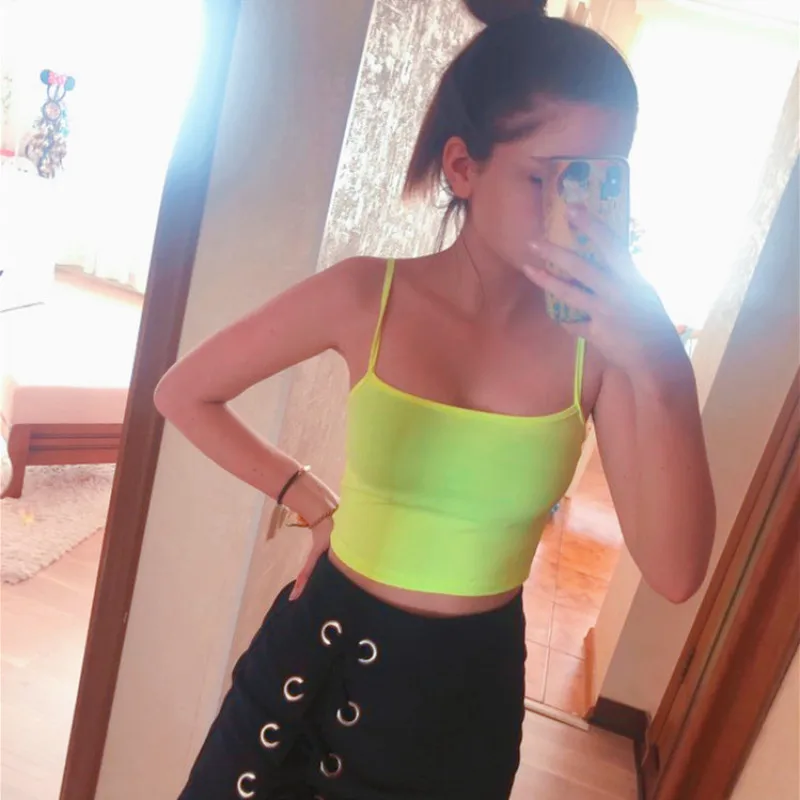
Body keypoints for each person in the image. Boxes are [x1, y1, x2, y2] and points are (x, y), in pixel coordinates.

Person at [156, 1, 715, 797]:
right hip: (307, 667)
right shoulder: (364, 296)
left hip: (460, 711)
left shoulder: (606, 352)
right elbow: (184, 392)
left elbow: (676, 571)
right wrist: (309, 500)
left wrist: (664, 367)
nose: (577, 210)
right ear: (462, 167)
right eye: (545, 177)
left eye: (601, 178)